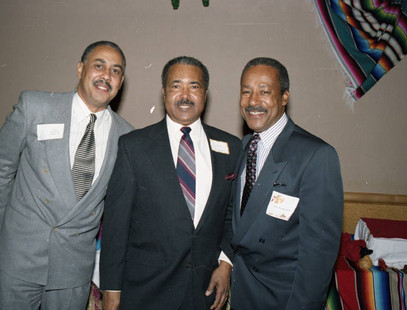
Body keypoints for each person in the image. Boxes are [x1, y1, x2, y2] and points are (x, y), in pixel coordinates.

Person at [0, 41, 134, 310]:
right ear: (80, 69)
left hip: (73, 267)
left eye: (115, 71)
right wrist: (4, 221)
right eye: (98, 65)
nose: (106, 76)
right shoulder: (36, 107)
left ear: (121, 81)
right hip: (20, 255)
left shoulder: (127, 137)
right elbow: (1, 161)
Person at [100, 56, 241, 310]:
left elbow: (232, 215)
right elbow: (115, 225)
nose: (185, 95)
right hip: (146, 291)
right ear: (164, 92)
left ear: (205, 94)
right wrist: (111, 289)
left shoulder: (231, 147)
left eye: (194, 86)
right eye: (176, 86)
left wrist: (225, 262)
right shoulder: (134, 146)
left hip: (204, 291)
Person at [229, 57, 344, 310]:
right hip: (243, 293)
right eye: (246, 91)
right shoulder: (243, 147)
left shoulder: (315, 155)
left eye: (264, 92)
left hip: (283, 300)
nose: (253, 101)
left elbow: (318, 254)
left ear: (284, 98)